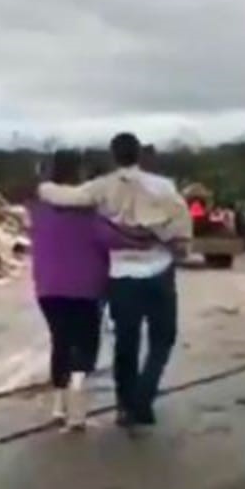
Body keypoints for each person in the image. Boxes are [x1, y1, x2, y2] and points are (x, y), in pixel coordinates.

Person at [39, 133, 192, 428]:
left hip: (122, 275)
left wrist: (44, 187)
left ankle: (125, 406)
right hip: (159, 271)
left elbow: (67, 197)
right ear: (140, 155)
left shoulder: (102, 187)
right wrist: (179, 246)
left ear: (112, 155)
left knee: (126, 342)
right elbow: (180, 224)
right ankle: (143, 396)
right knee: (163, 338)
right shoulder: (163, 187)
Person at [29, 150, 153, 431]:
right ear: (79, 174)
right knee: (84, 346)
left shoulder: (39, 209)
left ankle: (58, 407)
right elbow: (116, 238)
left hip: (48, 288)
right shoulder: (90, 212)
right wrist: (150, 240)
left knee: (59, 341)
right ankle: (77, 409)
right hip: (85, 290)